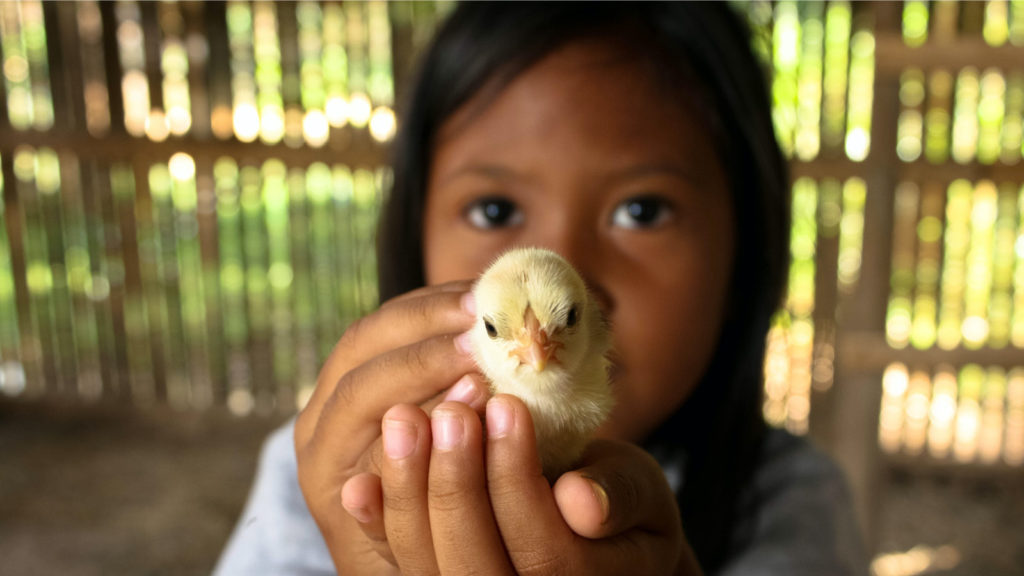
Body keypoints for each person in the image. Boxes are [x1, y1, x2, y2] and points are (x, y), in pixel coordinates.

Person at [215, 3, 866, 575]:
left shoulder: (790, 506)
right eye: (494, 211)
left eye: (642, 210)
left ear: (744, 254)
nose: (570, 266)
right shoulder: (329, 472)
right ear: (414, 236)